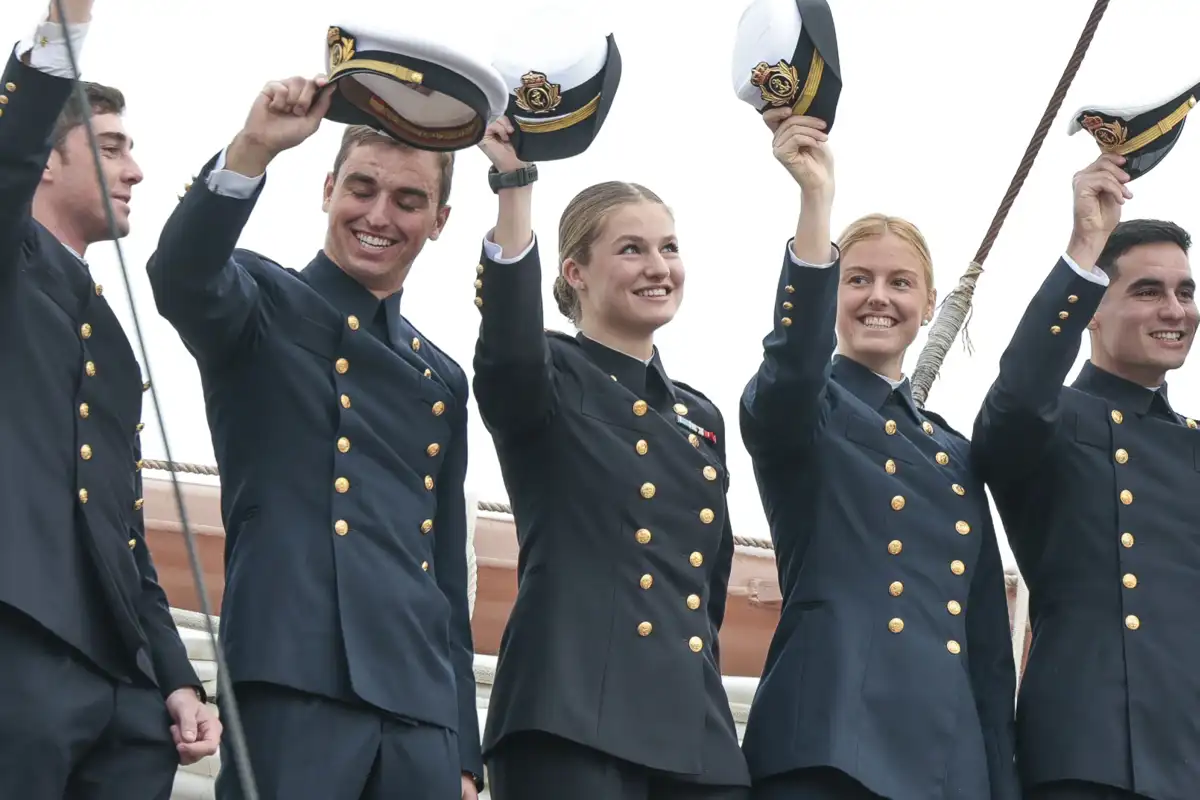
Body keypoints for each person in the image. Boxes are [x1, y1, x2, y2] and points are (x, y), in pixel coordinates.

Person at [145, 71, 481, 798]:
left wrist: (461, 748)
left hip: (420, 707)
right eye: (362, 188)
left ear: (441, 218)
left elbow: (443, 570)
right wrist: (253, 147)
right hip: (294, 673)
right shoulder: (261, 303)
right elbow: (180, 275)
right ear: (326, 188)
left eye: (408, 199)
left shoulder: (443, 377)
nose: (379, 214)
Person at [738, 108, 1019, 800]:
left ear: (929, 307)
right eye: (857, 279)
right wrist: (815, 203)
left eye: (900, 283)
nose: (878, 298)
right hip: (828, 745)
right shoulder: (805, 409)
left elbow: (983, 644)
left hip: (943, 763)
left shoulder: (954, 454)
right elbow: (794, 364)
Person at [471, 116, 751, 800]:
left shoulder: (698, 415)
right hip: (571, 716)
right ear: (575, 272)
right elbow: (507, 345)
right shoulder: (546, 374)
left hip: (690, 727)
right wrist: (514, 186)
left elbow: (704, 587)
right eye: (631, 249)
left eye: (669, 247)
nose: (658, 267)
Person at [0, 1, 221, 797]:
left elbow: (121, 527)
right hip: (20, 644)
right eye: (112, 147)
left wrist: (175, 677)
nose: (136, 170)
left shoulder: (116, 345)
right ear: (47, 163)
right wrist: (65, 27)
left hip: (122, 697)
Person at [972, 153, 1198, 800]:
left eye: (1186, 291)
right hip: (1089, 758)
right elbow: (1015, 402)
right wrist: (1083, 250)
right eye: (1148, 291)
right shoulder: (1054, 423)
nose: (1175, 310)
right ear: (1090, 312)